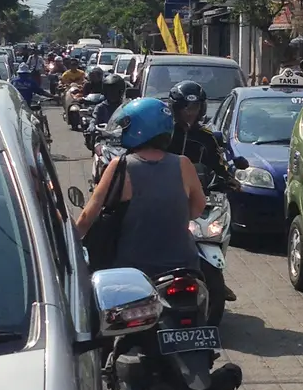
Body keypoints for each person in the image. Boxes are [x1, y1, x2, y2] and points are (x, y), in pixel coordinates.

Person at [74, 97, 205, 274]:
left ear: (137, 129)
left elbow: (87, 216)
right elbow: (197, 209)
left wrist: (69, 244)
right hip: (183, 267)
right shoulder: (184, 164)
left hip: (132, 271)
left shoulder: (120, 166)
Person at [166, 80, 237, 190]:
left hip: (197, 194)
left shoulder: (206, 137)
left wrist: (229, 179)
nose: (190, 113)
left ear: (201, 109)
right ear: (175, 108)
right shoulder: (164, 134)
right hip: (165, 190)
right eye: (185, 108)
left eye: (195, 108)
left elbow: (219, 166)